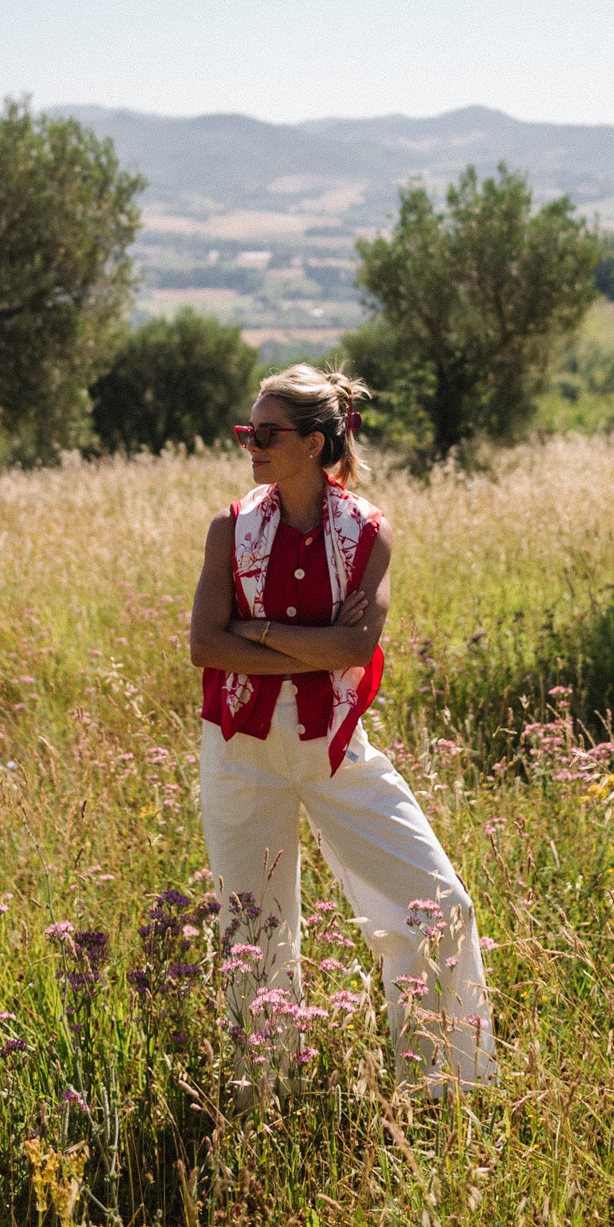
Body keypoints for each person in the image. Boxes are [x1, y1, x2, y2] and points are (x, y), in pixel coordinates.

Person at [190, 363, 494, 1089]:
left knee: (441, 905)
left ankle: (442, 1087)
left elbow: (356, 650)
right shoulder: (231, 528)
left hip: (335, 748)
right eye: (247, 430)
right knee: (253, 939)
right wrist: (311, 642)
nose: (251, 444)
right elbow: (206, 646)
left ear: (318, 441)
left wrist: (253, 628)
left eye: (268, 432)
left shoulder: (369, 533)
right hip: (239, 751)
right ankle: (267, 1099)